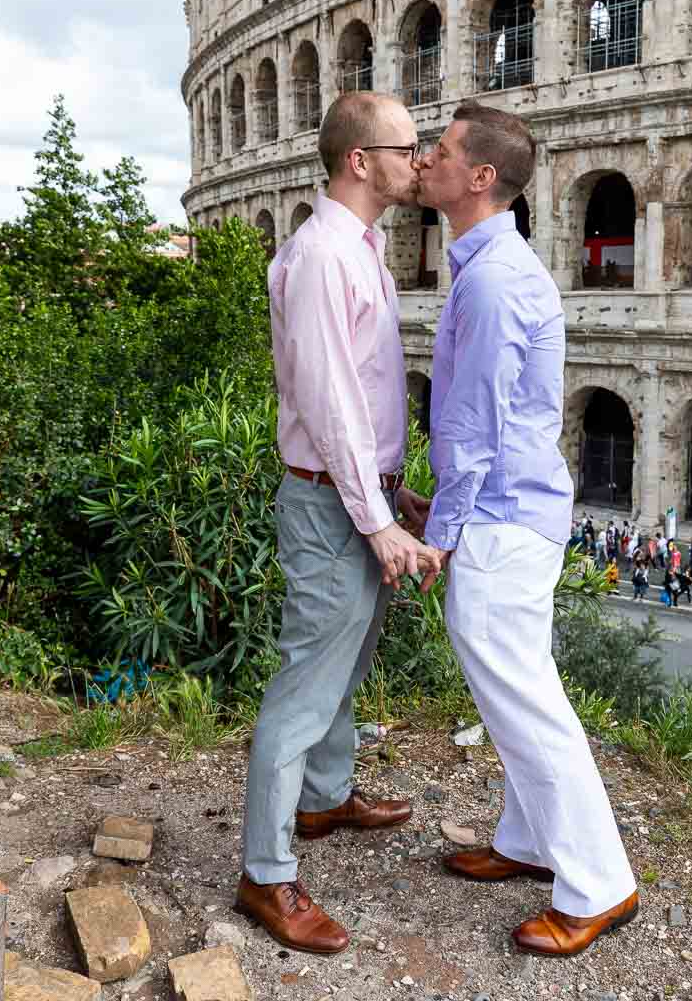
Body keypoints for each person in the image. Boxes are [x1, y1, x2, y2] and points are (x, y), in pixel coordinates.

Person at [416, 102, 637, 958]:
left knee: (526, 700)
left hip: (503, 520)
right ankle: (528, 840)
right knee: (515, 686)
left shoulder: (494, 278)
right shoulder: (490, 264)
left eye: (439, 150)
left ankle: (599, 883)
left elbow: (471, 427)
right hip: (515, 512)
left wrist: (438, 532)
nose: (425, 159)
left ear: (480, 177)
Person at [236, 93, 442, 955]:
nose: (420, 158)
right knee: (304, 687)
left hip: (356, 497)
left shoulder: (360, 251)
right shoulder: (324, 255)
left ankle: (323, 799)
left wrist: (392, 499)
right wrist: (375, 517)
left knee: (346, 662)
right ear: (361, 160)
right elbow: (327, 405)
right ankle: (266, 875)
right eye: (407, 146)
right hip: (331, 502)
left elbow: (360, 401)